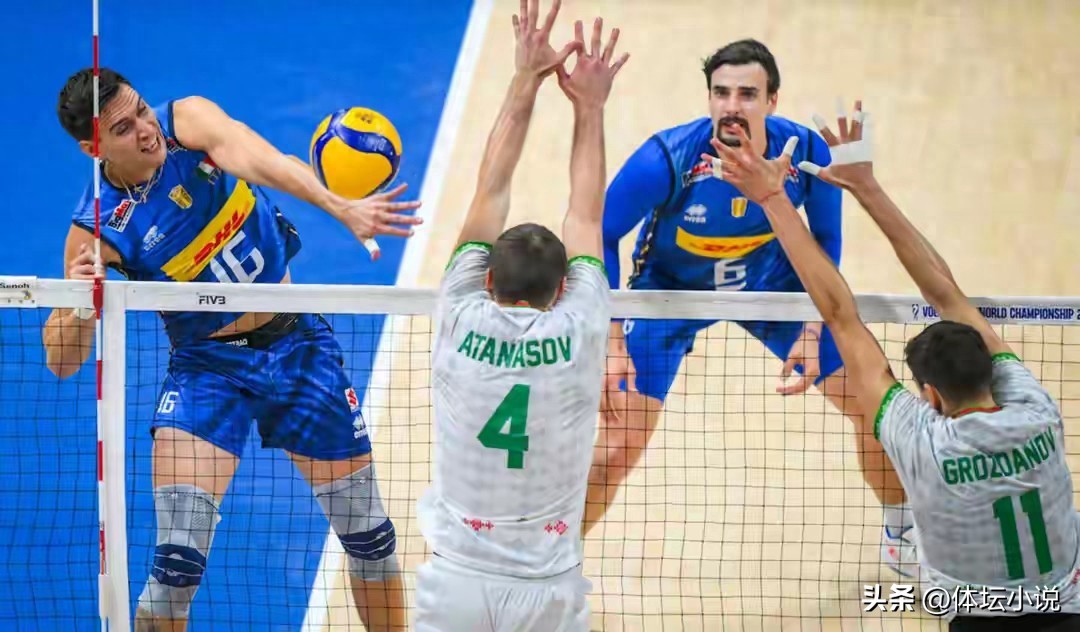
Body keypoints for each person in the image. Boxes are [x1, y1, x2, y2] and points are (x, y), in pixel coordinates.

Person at [43, 68, 421, 631]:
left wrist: (336, 205)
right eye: (124, 128)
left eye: (144, 110)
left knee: (370, 538)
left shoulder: (186, 122)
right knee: (172, 574)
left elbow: (260, 159)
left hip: (297, 346)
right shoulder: (98, 226)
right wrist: (81, 299)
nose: (147, 130)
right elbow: (59, 359)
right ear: (93, 147)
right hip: (208, 371)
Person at [708, 101, 1080, 629]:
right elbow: (948, 295)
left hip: (975, 615)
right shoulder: (1036, 411)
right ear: (992, 370)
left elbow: (840, 316)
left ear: (929, 395)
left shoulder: (923, 441)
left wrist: (771, 197)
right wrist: (869, 188)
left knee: (908, 597)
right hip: (1064, 608)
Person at [586, 37, 917, 576]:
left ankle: (903, 532)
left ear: (772, 101)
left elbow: (825, 243)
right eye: (720, 93)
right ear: (709, 98)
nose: (732, 105)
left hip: (775, 288)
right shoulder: (667, 159)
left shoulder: (804, 152)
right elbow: (600, 233)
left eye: (747, 93)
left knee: (873, 405)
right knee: (619, 444)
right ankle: (551, 556)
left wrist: (813, 329)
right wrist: (612, 338)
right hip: (670, 293)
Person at [414, 1, 628, 630]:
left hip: (455, 577)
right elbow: (587, 215)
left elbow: (490, 189)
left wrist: (525, 78)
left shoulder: (459, 312)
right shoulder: (581, 324)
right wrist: (589, 106)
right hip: (547, 587)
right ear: (565, 288)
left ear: (484, 280)